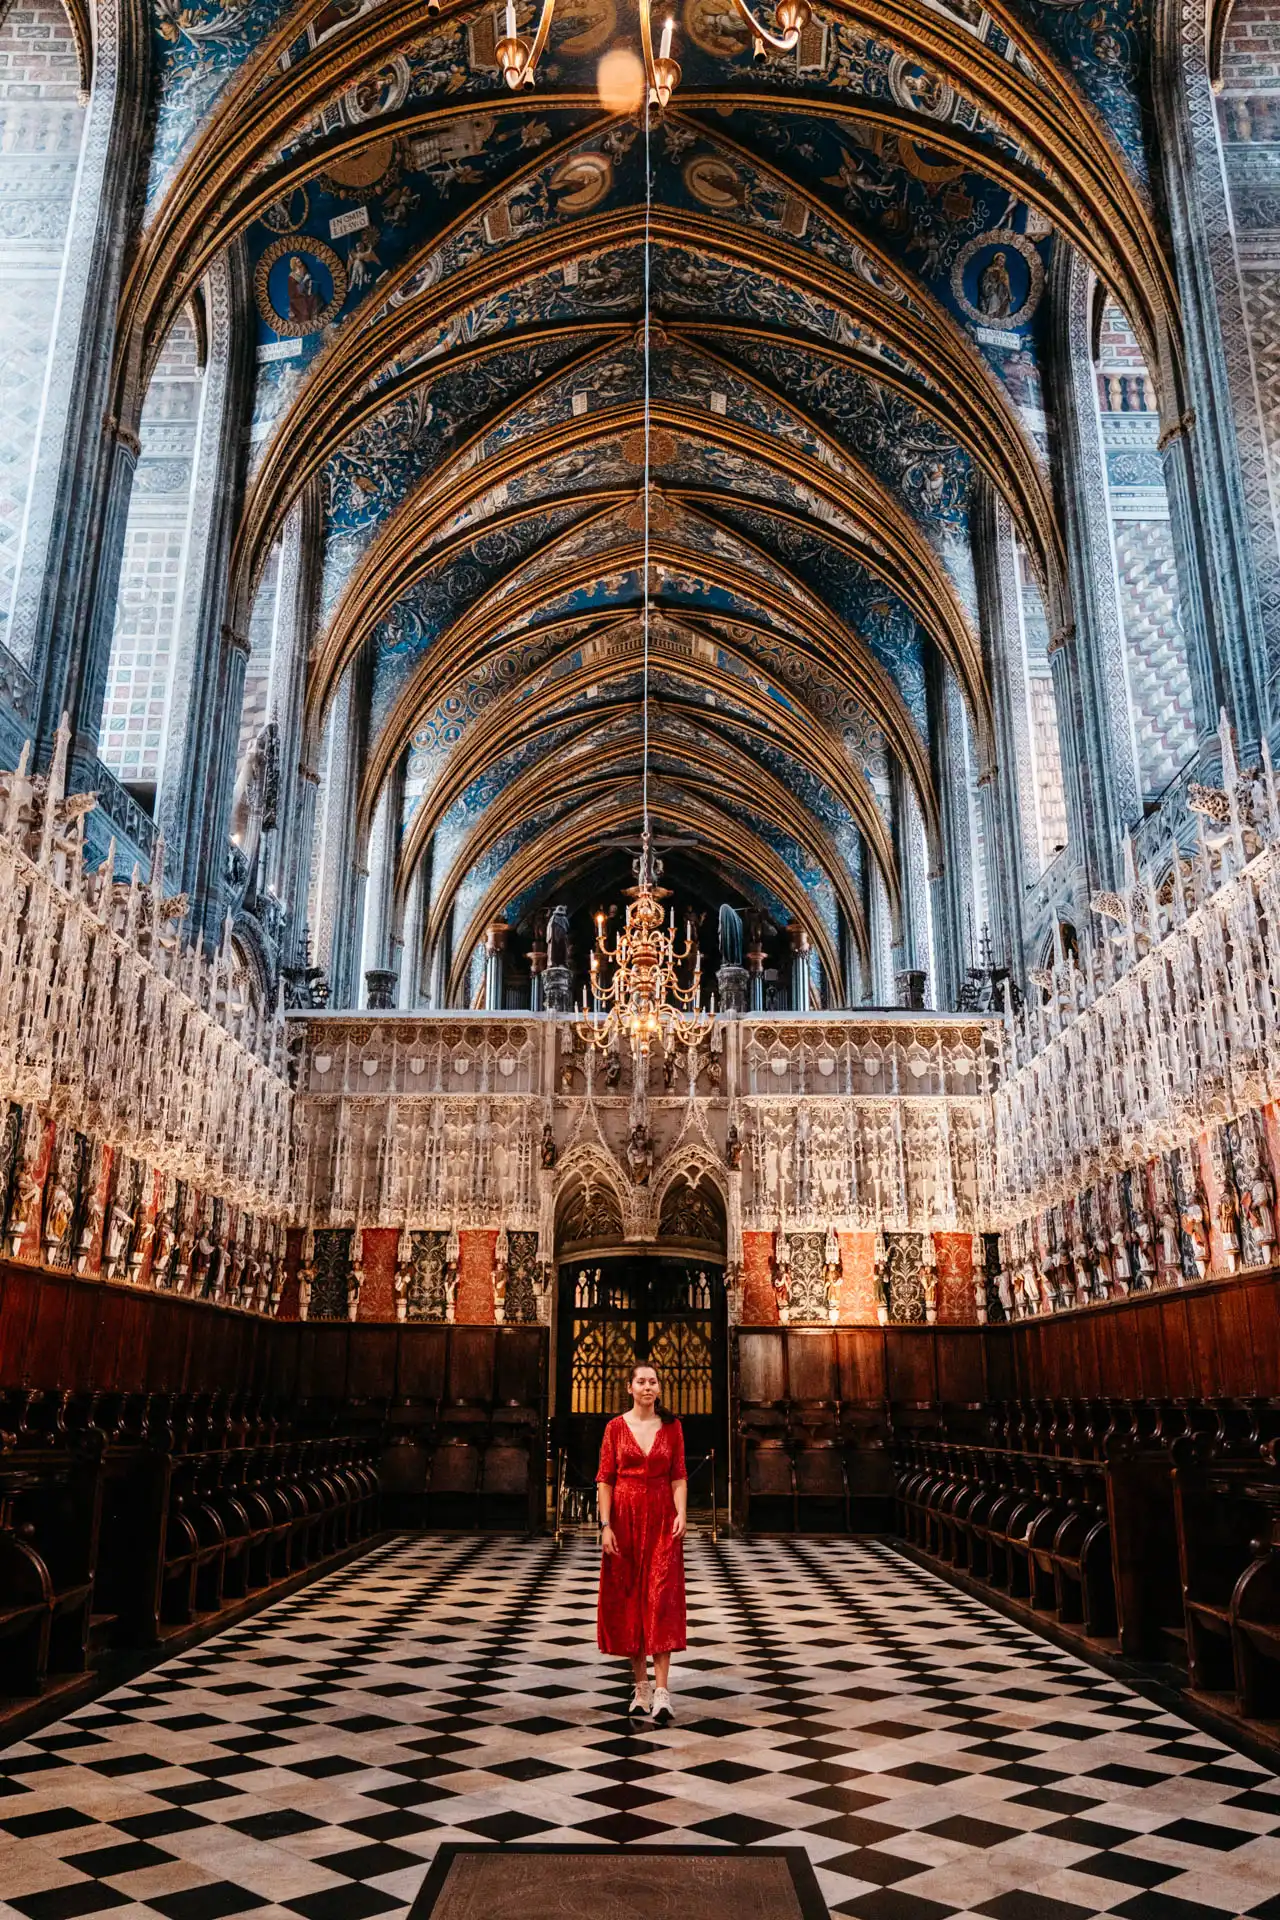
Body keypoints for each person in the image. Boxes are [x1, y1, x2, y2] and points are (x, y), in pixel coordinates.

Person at [596, 1363, 687, 1725]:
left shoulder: (672, 1427)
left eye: (653, 1381)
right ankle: (641, 1686)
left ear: (659, 1388)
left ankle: (663, 1692)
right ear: (630, 1387)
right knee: (631, 1597)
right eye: (641, 1381)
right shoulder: (615, 1428)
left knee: (661, 1598)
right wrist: (605, 1525)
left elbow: (678, 1474)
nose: (647, 1387)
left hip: (663, 1517)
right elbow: (605, 1480)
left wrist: (682, 1513)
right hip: (625, 1519)